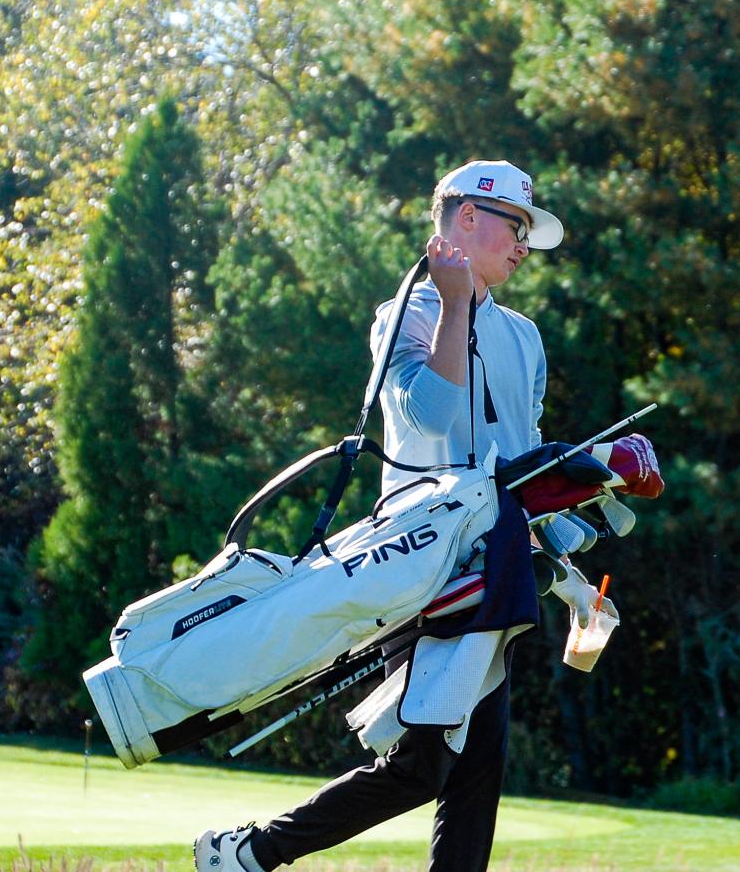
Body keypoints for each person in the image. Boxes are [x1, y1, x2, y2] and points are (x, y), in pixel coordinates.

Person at [194, 159, 570, 872]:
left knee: (474, 766)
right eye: (513, 226)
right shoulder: (406, 316)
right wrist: (455, 305)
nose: (522, 244)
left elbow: (521, 457)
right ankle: (251, 851)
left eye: (527, 232)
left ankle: (250, 852)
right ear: (466, 219)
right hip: (424, 563)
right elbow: (426, 416)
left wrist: (572, 540)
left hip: (499, 566)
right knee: (428, 761)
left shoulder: (526, 337)